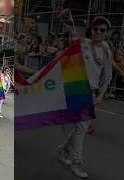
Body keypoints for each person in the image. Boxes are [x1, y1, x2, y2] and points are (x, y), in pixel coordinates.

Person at [56, 16, 113, 178]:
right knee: (81, 128)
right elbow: (66, 57)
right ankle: (76, 162)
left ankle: (63, 149)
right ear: (92, 30)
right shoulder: (82, 44)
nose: (98, 32)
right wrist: (73, 41)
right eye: (96, 29)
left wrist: (101, 95)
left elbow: (107, 76)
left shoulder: (106, 50)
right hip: (76, 90)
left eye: (102, 30)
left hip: (92, 93)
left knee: (80, 128)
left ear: (107, 33)